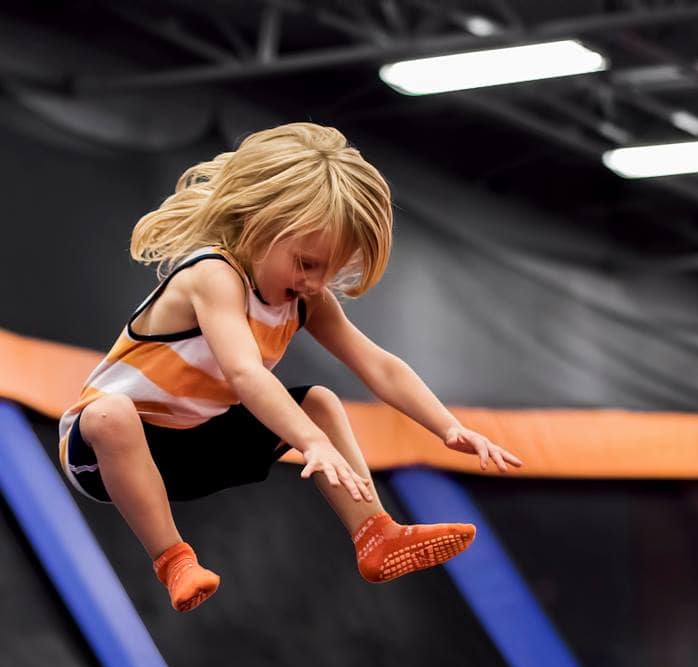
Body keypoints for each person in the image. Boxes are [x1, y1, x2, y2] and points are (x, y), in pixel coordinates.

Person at [58, 123, 522, 613]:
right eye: (305, 263)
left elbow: (379, 365)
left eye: (329, 269)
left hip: (193, 449)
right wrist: (312, 443)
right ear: (259, 225)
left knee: (319, 401)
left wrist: (447, 426)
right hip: (104, 456)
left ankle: (375, 533)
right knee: (111, 415)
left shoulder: (308, 300)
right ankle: (174, 559)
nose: (314, 282)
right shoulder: (214, 276)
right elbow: (246, 373)